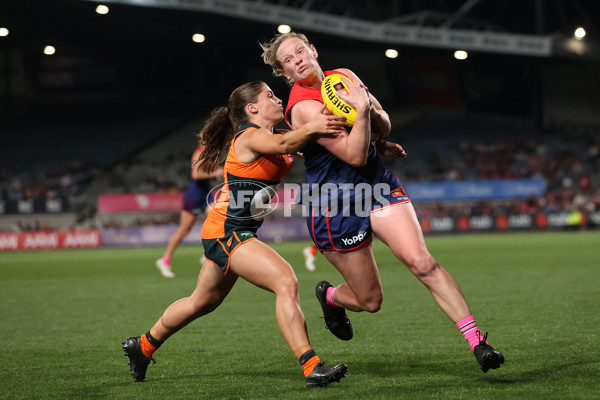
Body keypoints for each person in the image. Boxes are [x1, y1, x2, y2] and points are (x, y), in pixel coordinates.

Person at [260, 32, 504, 373]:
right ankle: (330, 297)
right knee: (370, 301)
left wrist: (372, 115)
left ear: (313, 50)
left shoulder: (344, 77)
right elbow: (354, 155)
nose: (298, 59)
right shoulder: (303, 108)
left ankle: (478, 343)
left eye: (300, 51)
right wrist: (361, 111)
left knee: (423, 263)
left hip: (376, 186)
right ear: (285, 73)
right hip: (337, 203)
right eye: (289, 60)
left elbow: (384, 124)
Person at [122, 81, 349, 388]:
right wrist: (315, 124)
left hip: (230, 230)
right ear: (252, 108)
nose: (279, 99)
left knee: (202, 302)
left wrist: (372, 145)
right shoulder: (249, 136)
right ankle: (312, 368)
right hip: (228, 231)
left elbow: (314, 145)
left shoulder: (277, 135)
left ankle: (143, 347)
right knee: (285, 280)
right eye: (270, 95)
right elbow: (286, 146)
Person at [155, 146, 223, 278]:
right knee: (184, 231)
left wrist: (216, 175)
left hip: (206, 194)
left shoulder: (211, 153)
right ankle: (164, 260)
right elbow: (196, 175)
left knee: (218, 217)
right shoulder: (199, 153)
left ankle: (208, 253)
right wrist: (215, 173)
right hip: (194, 197)